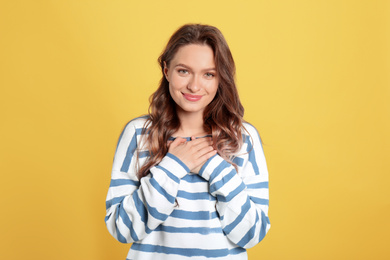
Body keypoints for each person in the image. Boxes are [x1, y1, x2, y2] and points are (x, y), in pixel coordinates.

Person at [105, 24, 270, 260]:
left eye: (208, 74)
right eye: (183, 71)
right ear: (166, 70)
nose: (194, 85)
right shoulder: (138, 134)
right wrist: (174, 166)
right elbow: (122, 229)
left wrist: (212, 167)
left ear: (220, 78)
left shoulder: (243, 138)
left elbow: (252, 234)